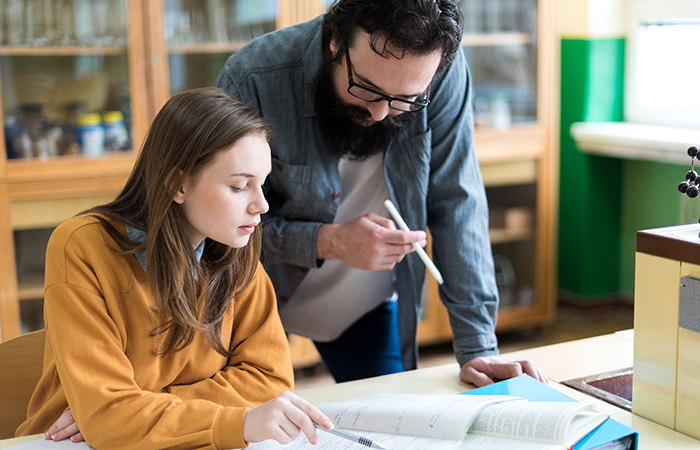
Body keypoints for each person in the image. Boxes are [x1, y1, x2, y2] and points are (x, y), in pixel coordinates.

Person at [213, 0, 547, 386]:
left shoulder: (439, 74)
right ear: (335, 39)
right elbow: (218, 227)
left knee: (391, 424)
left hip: (364, 304)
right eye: (367, 89)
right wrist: (327, 242)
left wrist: (478, 348)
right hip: (256, 297)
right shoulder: (254, 77)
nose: (380, 114)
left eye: (406, 99)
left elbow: (457, 203)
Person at [16, 87, 333, 448]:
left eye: (262, 184)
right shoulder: (82, 246)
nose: (261, 205)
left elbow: (270, 382)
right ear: (177, 184)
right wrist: (112, 414)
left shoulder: (235, 247)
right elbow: (108, 419)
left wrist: (132, 410)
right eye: (239, 186)